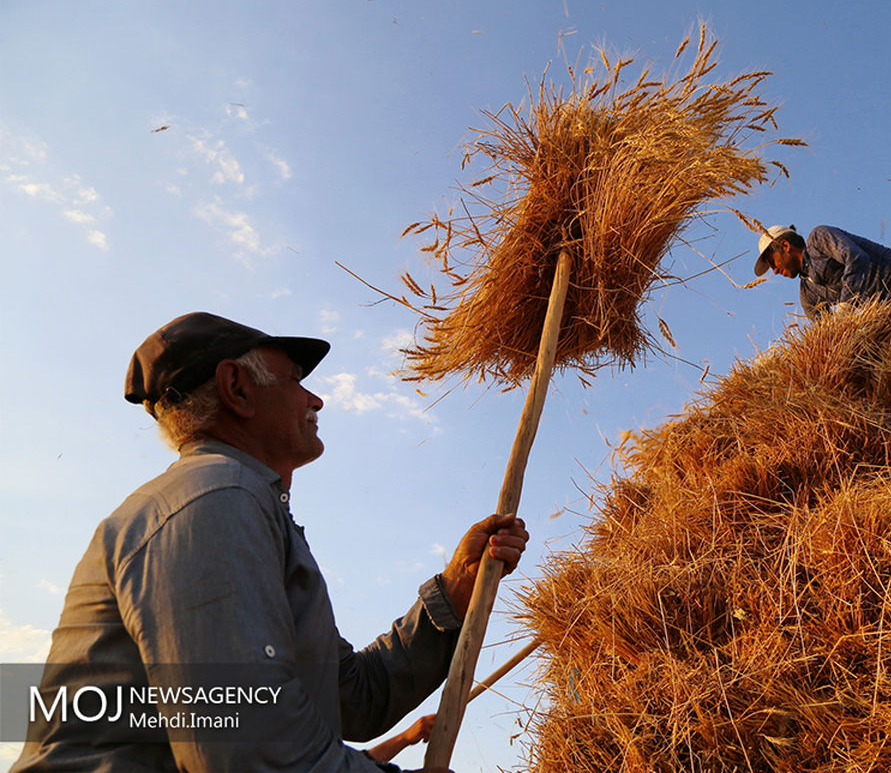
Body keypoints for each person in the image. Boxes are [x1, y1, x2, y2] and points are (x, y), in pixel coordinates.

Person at [13, 312, 529, 773]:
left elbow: (353, 695)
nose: (315, 399)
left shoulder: (243, 507)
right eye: (295, 380)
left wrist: (455, 590)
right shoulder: (211, 502)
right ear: (237, 387)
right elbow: (249, 748)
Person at [753, 224, 891, 330]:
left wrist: (845, 305)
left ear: (785, 246)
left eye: (773, 263)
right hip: (889, 310)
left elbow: (856, 257)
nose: (774, 271)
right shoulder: (808, 293)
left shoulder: (818, 240)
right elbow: (826, 333)